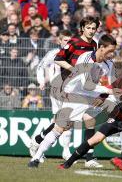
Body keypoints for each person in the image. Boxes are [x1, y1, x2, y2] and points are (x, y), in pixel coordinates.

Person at [27, 34, 119, 168]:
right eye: (110, 51)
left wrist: (104, 95)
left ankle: (94, 157)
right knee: (60, 127)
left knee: (109, 111)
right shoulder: (86, 58)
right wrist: (108, 91)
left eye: (114, 51)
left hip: (94, 95)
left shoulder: (109, 64)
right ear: (101, 48)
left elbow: (113, 84)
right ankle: (36, 158)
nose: (112, 54)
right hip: (76, 94)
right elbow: (86, 84)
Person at [29, 30, 72, 161]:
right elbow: (40, 66)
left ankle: (37, 142)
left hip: (70, 91)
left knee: (59, 121)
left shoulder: (74, 55)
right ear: (59, 41)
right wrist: (41, 81)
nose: (67, 43)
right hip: (56, 90)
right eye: (65, 40)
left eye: (70, 41)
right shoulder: (53, 53)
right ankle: (64, 151)